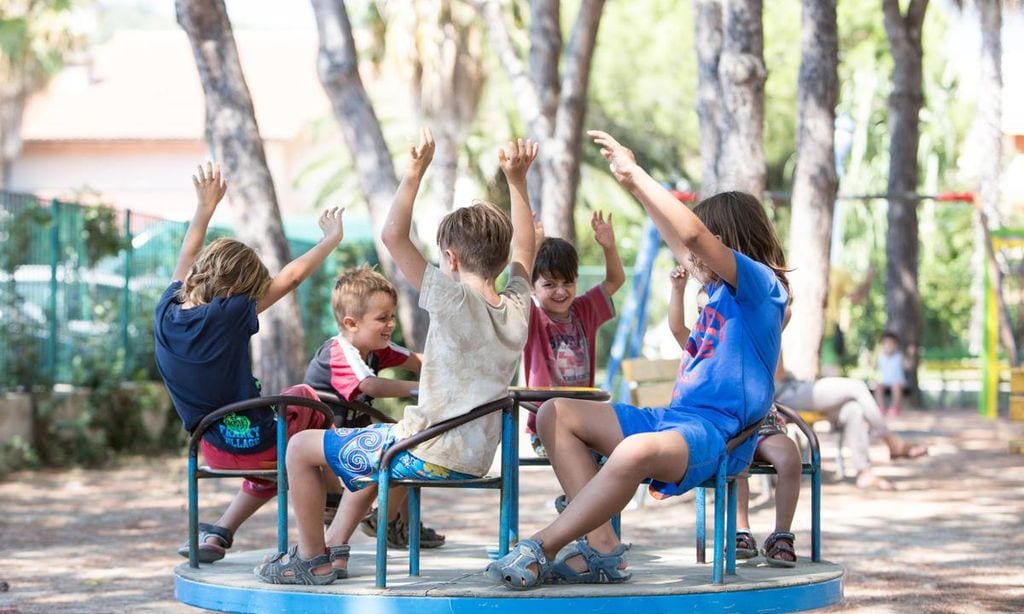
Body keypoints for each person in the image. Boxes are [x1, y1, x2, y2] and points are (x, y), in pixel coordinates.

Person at [485, 130, 789, 589]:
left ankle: (541, 546)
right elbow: (683, 238)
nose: (689, 257)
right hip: (672, 419)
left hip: (715, 435)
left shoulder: (762, 287)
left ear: (724, 241)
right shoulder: (719, 290)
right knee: (555, 413)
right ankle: (603, 547)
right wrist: (630, 187)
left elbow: (691, 234)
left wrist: (637, 174)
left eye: (704, 247)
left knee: (634, 451)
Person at [254, 130, 536, 585]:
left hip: (427, 449)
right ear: (500, 260)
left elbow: (392, 235)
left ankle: (308, 559)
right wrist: (517, 182)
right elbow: (527, 250)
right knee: (378, 445)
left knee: (301, 448)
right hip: (472, 452)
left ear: (451, 258)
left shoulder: (453, 299)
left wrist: (414, 171)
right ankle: (337, 549)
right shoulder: (517, 308)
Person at [155, 162, 345, 563]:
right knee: (306, 399)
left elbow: (187, 253)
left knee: (273, 451)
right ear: (236, 289)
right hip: (260, 443)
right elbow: (291, 278)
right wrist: (330, 240)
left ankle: (220, 532)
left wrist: (204, 208)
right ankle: (331, 500)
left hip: (212, 448)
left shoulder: (165, 310)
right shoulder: (229, 312)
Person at [302, 265, 444, 549]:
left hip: (353, 434)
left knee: (411, 446)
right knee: (400, 447)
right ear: (352, 323)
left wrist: (453, 367)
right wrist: (423, 388)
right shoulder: (340, 350)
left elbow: (418, 360)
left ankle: (396, 523)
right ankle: (386, 521)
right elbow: (371, 386)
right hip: (325, 439)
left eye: (392, 316)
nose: (391, 324)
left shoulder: (378, 347)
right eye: (382, 318)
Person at [671, 268, 801, 567]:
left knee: (790, 457)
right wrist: (678, 290)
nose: (709, 315)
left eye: (714, 308)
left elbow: (785, 312)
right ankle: (741, 531)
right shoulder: (701, 348)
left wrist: (759, 292)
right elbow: (677, 327)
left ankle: (782, 534)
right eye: (702, 310)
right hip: (727, 426)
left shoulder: (752, 338)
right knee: (735, 461)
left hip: (762, 422)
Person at [523, 212, 625, 457]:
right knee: (587, 458)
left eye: (567, 283)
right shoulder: (532, 317)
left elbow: (615, 280)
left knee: (623, 453)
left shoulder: (585, 310)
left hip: (585, 421)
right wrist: (533, 246)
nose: (560, 291)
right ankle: (576, 497)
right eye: (549, 284)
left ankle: (574, 498)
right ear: (533, 288)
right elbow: (518, 284)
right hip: (546, 425)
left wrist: (609, 247)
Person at [774, 353, 926, 490]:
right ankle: (892, 443)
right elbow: (778, 372)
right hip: (784, 392)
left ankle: (864, 473)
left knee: (854, 410)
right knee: (857, 387)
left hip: (794, 386)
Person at [875, 330, 907, 416]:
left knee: (896, 387)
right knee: (878, 387)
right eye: (886, 344)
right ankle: (881, 407)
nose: (888, 346)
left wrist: (911, 354)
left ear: (895, 345)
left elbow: (908, 366)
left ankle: (895, 407)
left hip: (898, 382)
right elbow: (875, 367)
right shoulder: (880, 357)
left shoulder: (899, 356)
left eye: (891, 344)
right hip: (885, 381)